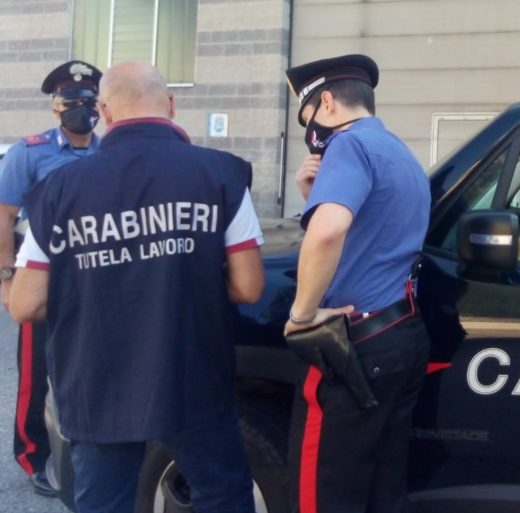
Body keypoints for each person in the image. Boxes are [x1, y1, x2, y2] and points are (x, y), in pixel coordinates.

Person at [9, 61, 264, 513]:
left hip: (97, 382)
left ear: (105, 113)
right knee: (223, 495)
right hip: (192, 375)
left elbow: (25, 305)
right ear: (171, 104)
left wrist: (96, 288)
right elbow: (248, 287)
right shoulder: (221, 174)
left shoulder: (59, 190)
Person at [283, 54, 431, 513]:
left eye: (309, 117)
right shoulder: (398, 151)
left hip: (356, 351)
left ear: (327, 102)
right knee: (382, 490)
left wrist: (302, 316)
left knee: (325, 496)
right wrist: (315, 197)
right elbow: (373, 234)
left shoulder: (348, 146)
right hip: (402, 334)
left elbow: (329, 233)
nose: (312, 131)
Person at [0, 59, 103, 497]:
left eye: (89, 100)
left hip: (96, 277)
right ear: (56, 106)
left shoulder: (109, 151)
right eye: (71, 100)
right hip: (42, 277)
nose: (82, 108)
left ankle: (85, 445)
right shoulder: (29, 152)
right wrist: (6, 278)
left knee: (89, 365)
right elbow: (4, 217)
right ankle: (33, 454)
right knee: (37, 370)